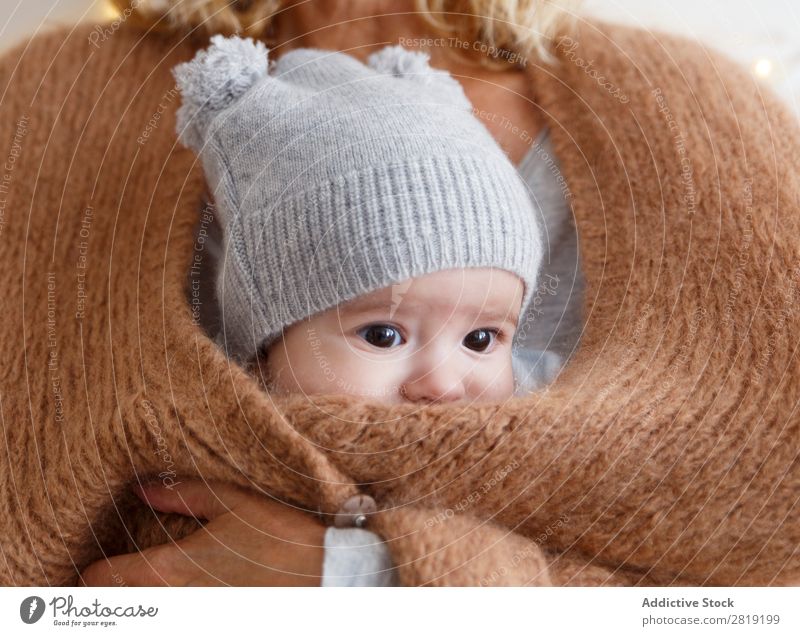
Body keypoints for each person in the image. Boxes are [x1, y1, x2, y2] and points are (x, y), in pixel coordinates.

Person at [81, 0, 582, 586]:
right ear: (262, 353)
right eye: (383, 334)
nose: (443, 386)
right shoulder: (218, 437)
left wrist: (357, 574)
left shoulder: (536, 420)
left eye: (480, 338)